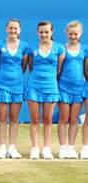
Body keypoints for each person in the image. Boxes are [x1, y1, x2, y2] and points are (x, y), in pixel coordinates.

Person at [25, 21, 65, 160]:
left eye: (46, 32)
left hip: (50, 87)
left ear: (52, 32)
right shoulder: (32, 48)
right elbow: (30, 67)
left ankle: (46, 148)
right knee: (34, 119)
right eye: (41, 32)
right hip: (34, 86)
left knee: (48, 120)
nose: (44, 34)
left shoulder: (59, 48)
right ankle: (35, 148)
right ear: (38, 32)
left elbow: (59, 70)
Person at [0, 19, 29, 159]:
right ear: (6, 29)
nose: (13, 31)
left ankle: (12, 147)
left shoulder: (25, 47)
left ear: (19, 30)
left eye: (16, 28)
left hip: (17, 85)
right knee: (2, 118)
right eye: (11, 28)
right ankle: (2, 147)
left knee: (14, 118)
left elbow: (24, 66)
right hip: (1, 85)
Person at [57, 21, 85, 159]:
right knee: (63, 118)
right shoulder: (62, 49)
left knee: (74, 119)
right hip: (63, 87)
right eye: (70, 33)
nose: (73, 36)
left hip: (78, 88)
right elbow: (58, 69)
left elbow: (85, 70)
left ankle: (71, 147)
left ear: (80, 34)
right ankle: (63, 147)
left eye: (76, 34)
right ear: (66, 33)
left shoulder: (84, 49)